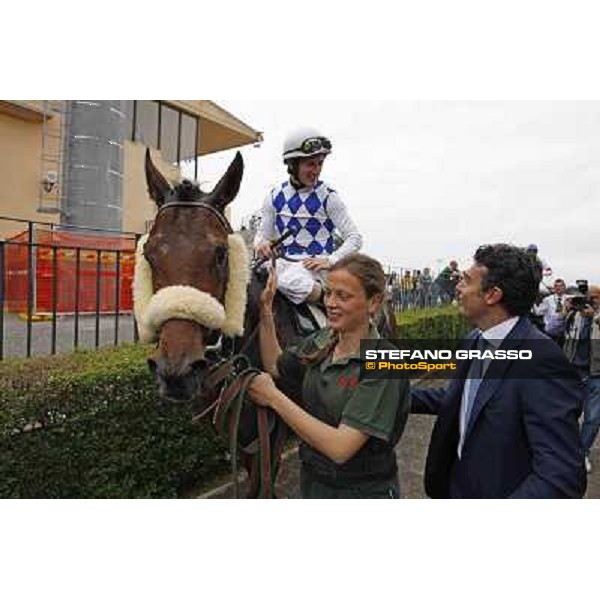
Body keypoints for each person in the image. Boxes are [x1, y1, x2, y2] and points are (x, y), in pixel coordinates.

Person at [411, 243, 586, 498]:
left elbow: (561, 475)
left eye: (466, 281)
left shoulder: (541, 360)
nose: (458, 288)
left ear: (492, 295)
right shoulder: (475, 339)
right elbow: (462, 399)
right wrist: (388, 394)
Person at [247, 254, 410, 499]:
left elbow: (340, 448)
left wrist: (273, 398)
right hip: (314, 484)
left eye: (343, 296)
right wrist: (266, 312)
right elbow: (275, 366)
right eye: (328, 293)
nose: (331, 303)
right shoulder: (323, 340)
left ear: (373, 302)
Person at [254, 127, 362, 305]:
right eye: (311, 164)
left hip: (313, 269)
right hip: (283, 264)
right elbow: (262, 235)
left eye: (320, 163)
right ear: (292, 165)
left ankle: (328, 301)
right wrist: (262, 244)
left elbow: (354, 238)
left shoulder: (328, 197)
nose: (317, 170)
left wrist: (330, 260)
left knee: (291, 282)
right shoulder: (273, 196)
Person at [563, 285, 600, 473]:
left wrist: (593, 318)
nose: (590, 301)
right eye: (588, 297)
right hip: (575, 370)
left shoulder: (595, 316)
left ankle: (581, 453)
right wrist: (565, 312)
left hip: (596, 372)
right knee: (569, 411)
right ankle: (568, 448)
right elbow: (563, 336)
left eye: (594, 298)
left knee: (593, 417)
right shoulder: (574, 314)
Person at [532, 277, 568, 345]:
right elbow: (538, 312)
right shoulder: (548, 300)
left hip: (564, 333)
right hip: (550, 332)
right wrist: (532, 302)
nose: (558, 288)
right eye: (556, 286)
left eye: (560, 286)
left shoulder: (569, 299)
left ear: (564, 287)